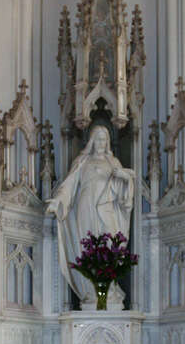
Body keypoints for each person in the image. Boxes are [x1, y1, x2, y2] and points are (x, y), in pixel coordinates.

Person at [47, 125, 135, 304]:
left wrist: (126, 179)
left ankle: (108, 293)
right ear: (92, 141)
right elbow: (69, 186)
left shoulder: (113, 162)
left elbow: (124, 195)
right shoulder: (82, 162)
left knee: (111, 245)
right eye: (99, 139)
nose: (102, 143)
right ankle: (90, 291)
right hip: (85, 208)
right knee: (86, 247)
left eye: (105, 139)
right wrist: (58, 201)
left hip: (108, 209)